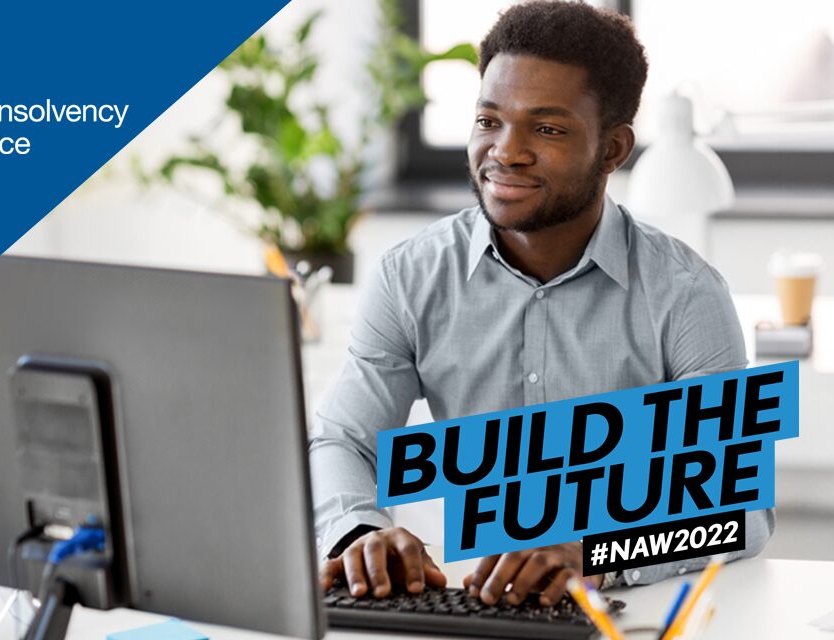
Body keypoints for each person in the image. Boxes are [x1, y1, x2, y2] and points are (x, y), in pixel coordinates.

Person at [310, 0, 774, 608]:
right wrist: (361, 532)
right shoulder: (410, 275)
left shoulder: (686, 295)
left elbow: (741, 511)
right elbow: (346, 440)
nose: (506, 151)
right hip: (463, 603)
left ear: (613, 149)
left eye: (547, 129)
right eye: (488, 121)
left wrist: (597, 550)